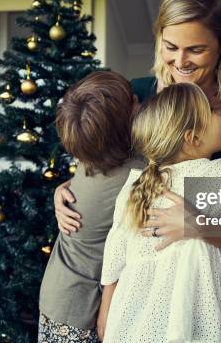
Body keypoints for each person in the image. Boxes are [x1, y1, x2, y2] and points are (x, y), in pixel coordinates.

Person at [55, 0, 221, 252]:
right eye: (171, 47)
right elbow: (109, 164)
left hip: (181, 283)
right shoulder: (136, 95)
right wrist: (72, 188)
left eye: (196, 50)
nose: (180, 62)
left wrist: (199, 225)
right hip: (109, 275)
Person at [98, 83, 221, 342]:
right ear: (192, 138)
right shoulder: (211, 174)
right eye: (211, 111)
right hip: (187, 316)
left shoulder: (136, 184)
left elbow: (115, 249)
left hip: (131, 315)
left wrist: (107, 308)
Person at [38, 71, 145, 343]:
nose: (139, 100)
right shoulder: (138, 171)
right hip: (81, 309)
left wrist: (60, 188)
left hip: (59, 293)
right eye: (134, 102)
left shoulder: (91, 154)